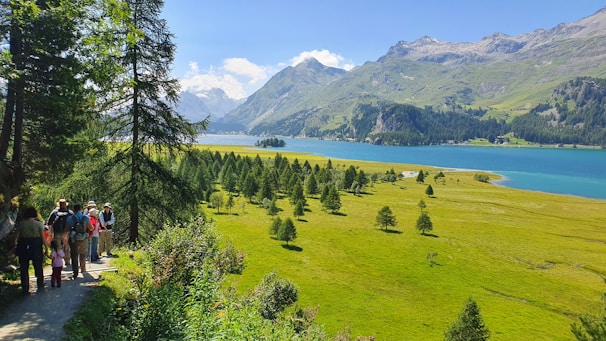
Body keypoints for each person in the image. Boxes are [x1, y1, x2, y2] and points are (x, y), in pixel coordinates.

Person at [14, 207, 49, 295]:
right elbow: (43, 237)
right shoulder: (39, 224)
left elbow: (16, 237)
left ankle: (25, 288)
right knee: (38, 265)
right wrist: (46, 248)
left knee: (24, 267)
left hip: (24, 244)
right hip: (36, 245)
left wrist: (15, 247)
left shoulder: (21, 224)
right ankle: (40, 284)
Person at [68, 204, 92, 278]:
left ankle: (75, 272)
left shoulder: (70, 218)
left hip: (74, 239)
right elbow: (91, 228)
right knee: (83, 254)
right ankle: (83, 269)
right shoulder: (86, 218)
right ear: (81, 209)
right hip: (83, 238)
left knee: (74, 255)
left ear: (73, 210)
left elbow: (67, 229)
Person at [47, 199, 73, 266]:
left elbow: (49, 223)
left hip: (57, 232)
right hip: (66, 233)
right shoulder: (70, 213)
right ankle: (67, 261)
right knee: (67, 246)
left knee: (57, 247)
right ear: (65, 205)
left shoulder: (54, 212)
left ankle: (57, 261)